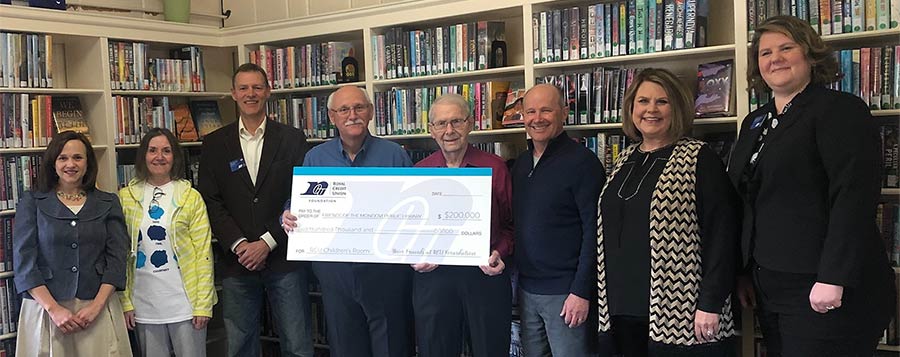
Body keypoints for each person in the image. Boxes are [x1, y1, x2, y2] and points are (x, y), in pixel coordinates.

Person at [729, 15, 896, 356]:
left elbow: (853, 196)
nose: (774, 58)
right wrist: (744, 272)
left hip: (826, 287)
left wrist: (833, 277)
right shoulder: (753, 122)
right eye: (765, 52)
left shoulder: (840, 110)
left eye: (786, 48)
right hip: (769, 286)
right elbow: (747, 199)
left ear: (810, 54)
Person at [595, 68, 740, 356]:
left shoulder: (699, 157)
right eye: (643, 101)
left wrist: (710, 303)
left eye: (662, 102)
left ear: (678, 107)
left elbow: (723, 235)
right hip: (621, 310)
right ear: (631, 108)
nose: (651, 109)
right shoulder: (625, 158)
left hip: (681, 314)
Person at [281, 85, 414, 357]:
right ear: (332, 116)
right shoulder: (315, 158)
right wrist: (287, 214)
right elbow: (298, 202)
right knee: (345, 347)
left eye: (359, 107)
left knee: (390, 346)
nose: (352, 115)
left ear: (371, 112)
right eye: (344, 109)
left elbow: (412, 209)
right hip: (336, 272)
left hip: (385, 271)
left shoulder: (394, 155)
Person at [198, 63, 313, 357]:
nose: (251, 94)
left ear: (268, 92)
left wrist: (266, 242)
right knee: (240, 345)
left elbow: (299, 198)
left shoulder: (292, 138)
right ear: (233, 93)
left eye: (257, 87)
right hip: (237, 261)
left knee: (297, 344)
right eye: (244, 88)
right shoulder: (213, 144)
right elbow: (211, 201)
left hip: (284, 257)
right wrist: (241, 245)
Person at [411, 93, 514, 357]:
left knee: (490, 350)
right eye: (441, 123)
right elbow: (409, 231)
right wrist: (413, 256)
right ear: (431, 131)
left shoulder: (496, 168)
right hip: (434, 281)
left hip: (484, 277)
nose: (449, 130)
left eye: (457, 121)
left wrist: (499, 252)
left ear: (470, 124)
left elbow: (512, 225)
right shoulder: (418, 173)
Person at [13, 131, 132, 356]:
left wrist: (96, 307)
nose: (71, 164)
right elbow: (24, 263)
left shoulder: (108, 202)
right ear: (53, 163)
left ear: (88, 163)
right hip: (46, 309)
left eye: (78, 157)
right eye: (63, 158)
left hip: (96, 308)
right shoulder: (33, 202)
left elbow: (117, 259)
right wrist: (54, 309)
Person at [511, 83, 605, 356]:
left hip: (567, 295)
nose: (537, 118)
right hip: (527, 291)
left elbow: (595, 232)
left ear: (564, 112)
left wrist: (581, 291)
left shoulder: (583, 163)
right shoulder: (521, 165)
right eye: (530, 111)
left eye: (546, 110)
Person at [118, 128, 216, 357]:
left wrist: (203, 304)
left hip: (185, 304)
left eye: (166, 151)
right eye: (152, 150)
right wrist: (125, 302)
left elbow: (204, 253)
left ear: (175, 157)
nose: (159, 157)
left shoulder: (191, 197)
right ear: (143, 155)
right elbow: (120, 255)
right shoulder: (125, 198)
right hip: (143, 304)